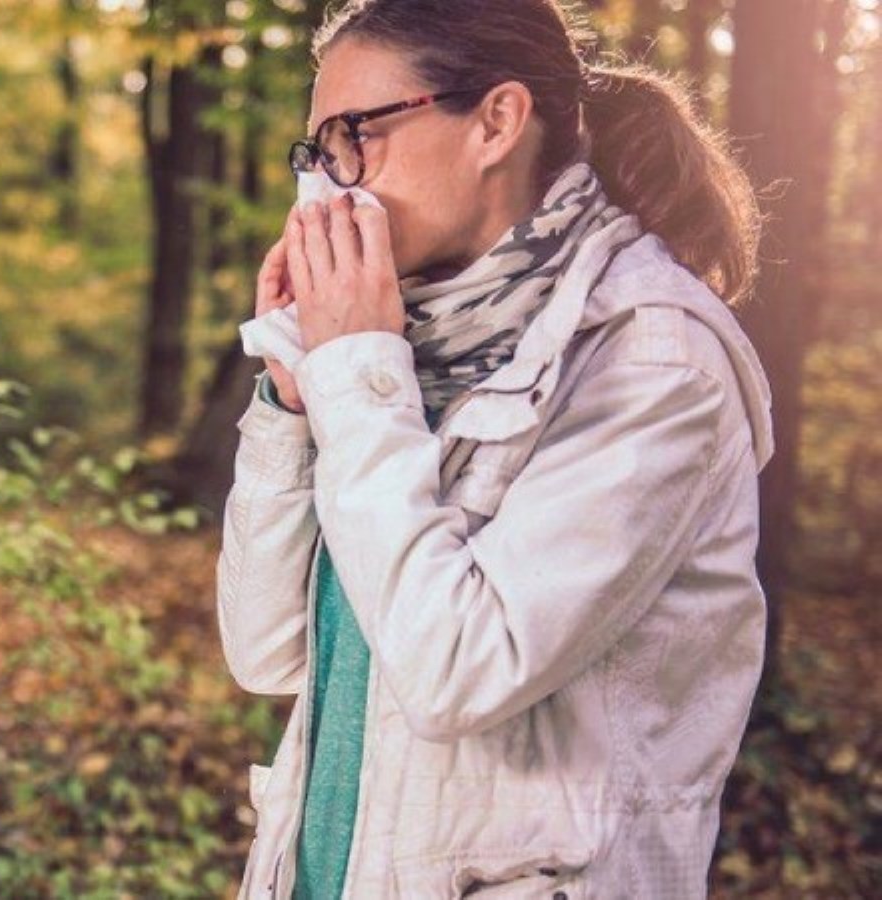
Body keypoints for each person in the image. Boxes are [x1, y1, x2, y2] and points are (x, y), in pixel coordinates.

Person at [216, 1, 773, 897]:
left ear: (497, 123)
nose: (330, 190)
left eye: (354, 137)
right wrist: (293, 396)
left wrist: (358, 368)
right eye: (319, 155)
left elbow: (455, 673)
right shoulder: (410, 342)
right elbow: (265, 650)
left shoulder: (656, 361)